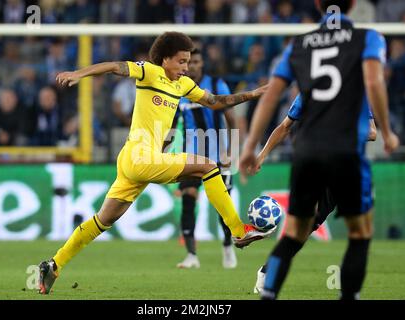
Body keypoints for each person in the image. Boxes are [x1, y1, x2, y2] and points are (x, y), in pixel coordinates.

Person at [38, 31, 271, 294]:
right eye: (181, 62)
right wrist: (79, 73)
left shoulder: (182, 85)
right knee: (208, 166)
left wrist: (254, 94)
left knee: (103, 220)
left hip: (135, 161)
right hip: (139, 157)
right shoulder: (148, 72)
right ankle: (238, 230)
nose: (185, 68)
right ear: (165, 59)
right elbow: (114, 66)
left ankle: (53, 264)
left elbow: (216, 102)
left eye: (188, 62)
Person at [239, 0, 399, 300]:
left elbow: (275, 103)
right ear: (352, 5)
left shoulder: (300, 48)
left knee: (296, 231)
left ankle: (268, 288)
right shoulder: (367, 41)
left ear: (317, 5)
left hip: (308, 154)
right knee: (359, 234)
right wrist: (388, 132)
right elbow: (375, 108)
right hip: (344, 155)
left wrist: (254, 150)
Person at [251, 93, 377, 294]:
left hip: (347, 169)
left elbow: (372, 133)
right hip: (316, 165)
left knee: (352, 230)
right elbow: (285, 127)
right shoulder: (309, 92)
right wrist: (262, 156)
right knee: (303, 227)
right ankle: (267, 275)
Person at [175, 48, 238, 269]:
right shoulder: (178, 88)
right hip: (191, 157)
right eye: (189, 62)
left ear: (202, 64)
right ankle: (192, 255)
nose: (192, 66)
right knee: (188, 200)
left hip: (217, 158)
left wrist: (230, 152)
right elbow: (172, 124)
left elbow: (231, 118)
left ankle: (228, 246)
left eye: (197, 62)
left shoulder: (216, 84)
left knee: (223, 207)